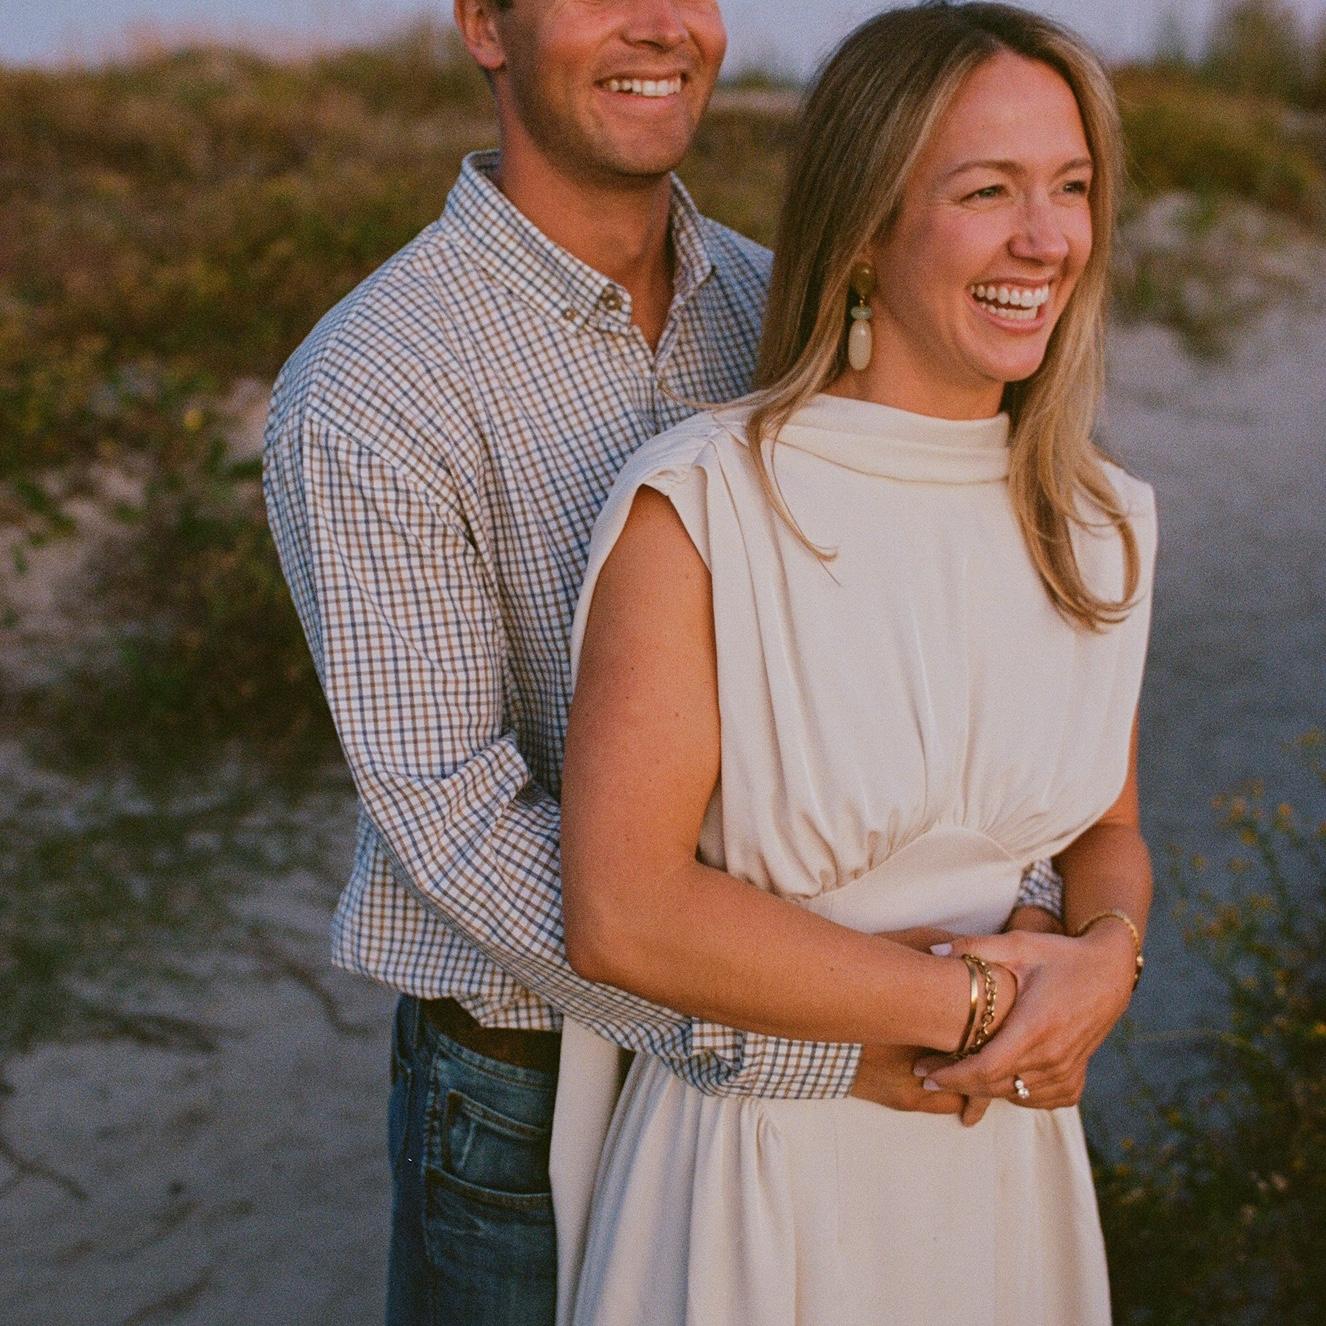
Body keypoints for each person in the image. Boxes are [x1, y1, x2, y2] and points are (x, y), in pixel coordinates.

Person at [262, 1, 1078, 1322]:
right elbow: (454, 813)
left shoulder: (791, 308)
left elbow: (945, 618)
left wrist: (1027, 920)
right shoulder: (372, 387)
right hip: (530, 1083)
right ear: (484, 23)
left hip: (877, 1018)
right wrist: (811, 1033)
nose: (659, 26)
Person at [555, 4, 1155, 1323]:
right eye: (986, 191)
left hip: (1003, 1168)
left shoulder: (1100, 519)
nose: (1046, 239)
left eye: (1069, 187)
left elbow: (1105, 832)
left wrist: (1109, 955)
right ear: (867, 227)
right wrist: (979, 1001)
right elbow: (622, 908)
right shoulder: (705, 504)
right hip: (765, 1172)